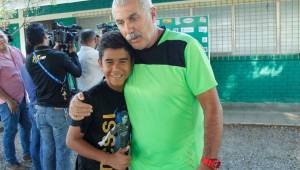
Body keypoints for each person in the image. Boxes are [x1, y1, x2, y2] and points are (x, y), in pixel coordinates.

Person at [69, 0, 223, 169]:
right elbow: (110, 82)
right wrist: (78, 100)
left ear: (153, 14)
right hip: (138, 164)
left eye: (133, 18)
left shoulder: (185, 48)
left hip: (185, 164)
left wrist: (208, 162)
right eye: (120, 22)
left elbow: (212, 107)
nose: (128, 29)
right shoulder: (127, 52)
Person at [66, 31, 132, 170]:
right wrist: (109, 159)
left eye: (123, 61)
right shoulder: (89, 99)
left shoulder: (135, 93)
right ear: (100, 64)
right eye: (109, 62)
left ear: (131, 62)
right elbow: (72, 140)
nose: (116, 68)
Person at [26, 23, 82, 170]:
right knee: (63, 150)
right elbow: (77, 72)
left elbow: (46, 59)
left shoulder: (30, 59)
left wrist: (55, 49)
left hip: (41, 110)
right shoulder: (59, 56)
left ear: (29, 41)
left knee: (48, 149)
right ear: (45, 36)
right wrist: (73, 52)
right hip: (58, 111)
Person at [0, 29, 32, 170]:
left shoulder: (16, 51)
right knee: (10, 131)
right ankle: (11, 162)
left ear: (6, 37)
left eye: (1, 36)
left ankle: (27, 153)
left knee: (27, 126)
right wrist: (9, 100)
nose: (0, 40)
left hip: (23, 98)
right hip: (7, 103)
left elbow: (26, 66)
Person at [20, 63, 42, 170]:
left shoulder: (24, 65)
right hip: (40, 105)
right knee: (43, 141)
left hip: (32, 104)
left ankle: (37, 166)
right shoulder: (37, 65)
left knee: (36, 138)